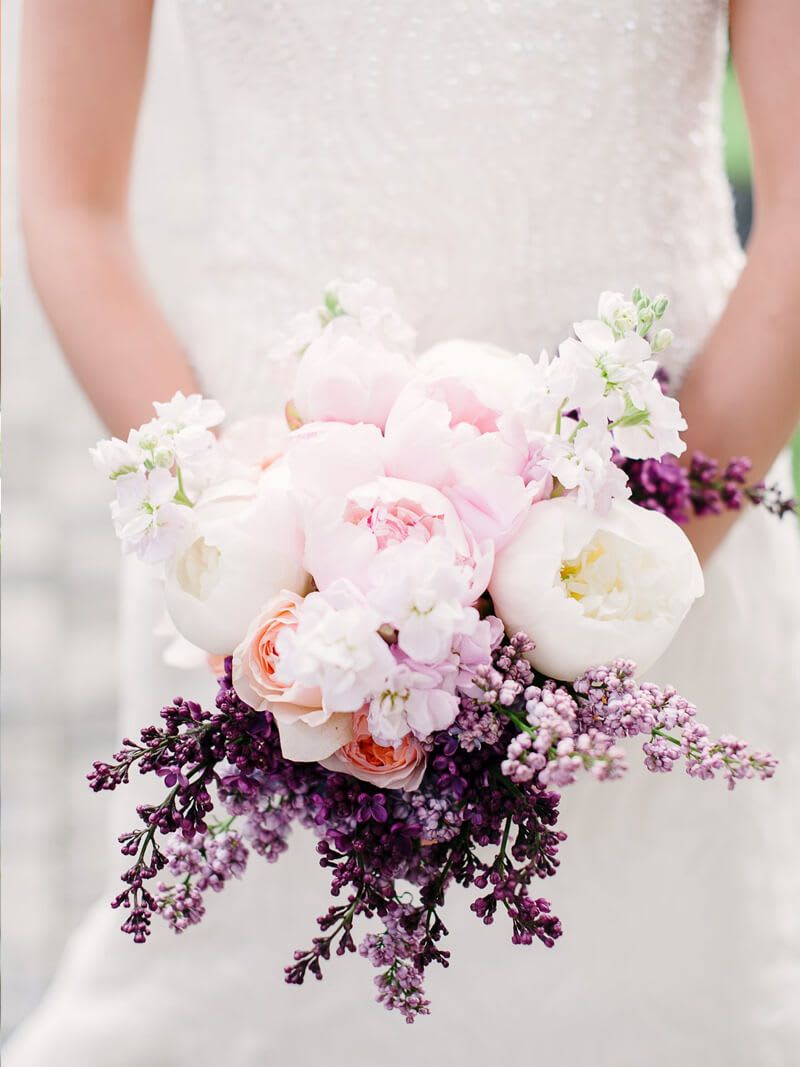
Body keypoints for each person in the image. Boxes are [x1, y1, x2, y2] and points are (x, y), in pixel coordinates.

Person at [8, 2, 800, 1064]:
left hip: (654, 522)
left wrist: (598, 603)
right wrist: (254, 572)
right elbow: (72, 204)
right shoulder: (263, 583)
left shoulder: (632, 571)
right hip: (270, 565)